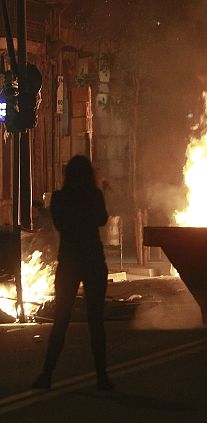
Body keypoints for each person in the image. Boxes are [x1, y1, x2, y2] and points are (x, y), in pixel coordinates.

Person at [32, 155, 112, 391]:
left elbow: (59, 224)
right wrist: (100, 192)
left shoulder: (59, 198)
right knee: (96, 321)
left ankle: (46, 376)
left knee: (61, 320)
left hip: (69, 262)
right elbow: (102, 220)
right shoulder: (94, 195)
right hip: (93, 261)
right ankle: (102, 377)